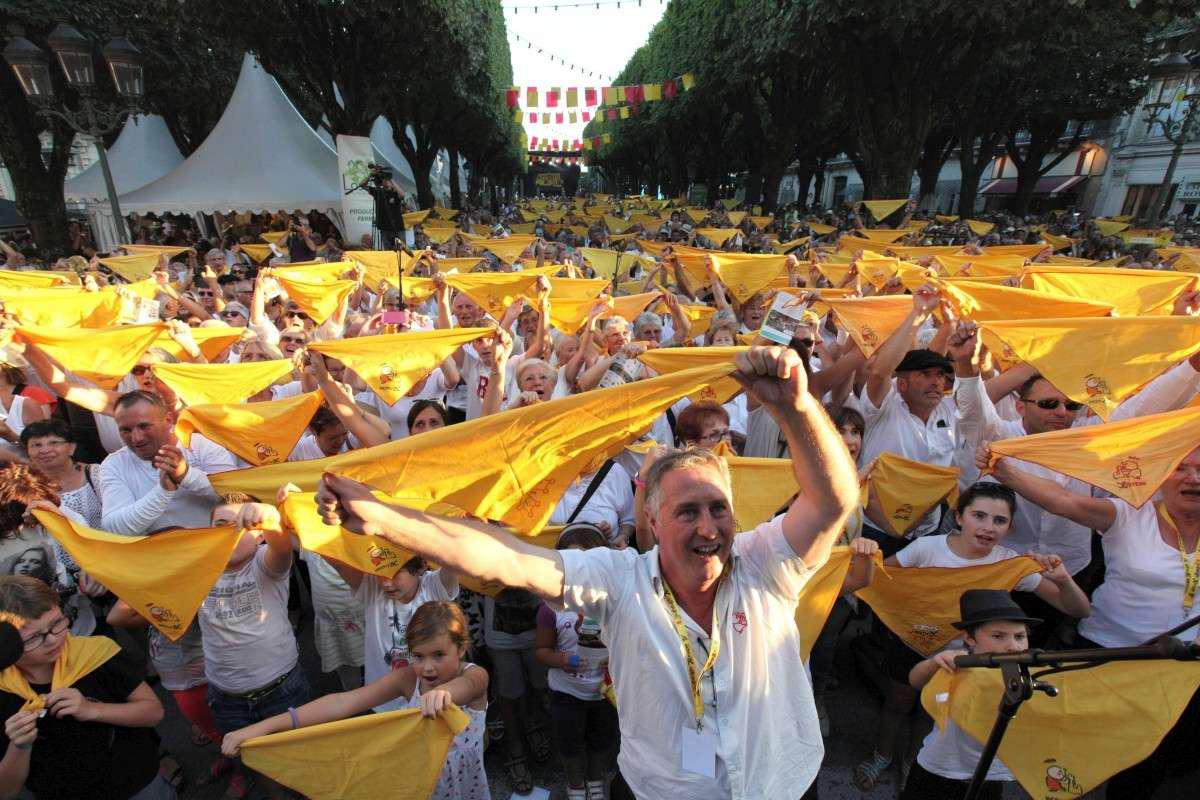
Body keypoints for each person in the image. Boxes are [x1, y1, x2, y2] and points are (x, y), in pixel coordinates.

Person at [314, 345, 860, 798]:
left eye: (718, 508)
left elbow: (834, 500)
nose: (709, 527)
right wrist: (386, 519)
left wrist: (796, 408)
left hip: (780, 785)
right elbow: (504, 558)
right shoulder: (619, 579)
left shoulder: (765, 562)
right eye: (687, 511)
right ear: (650, 517)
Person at [979, 441, 1200, 797]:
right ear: (1160, 474)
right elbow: (1063, 501)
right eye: (1181, 468)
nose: (1193, 478)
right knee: (1071, 758)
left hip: (1179, 668)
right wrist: (1003, 470)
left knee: (1146, 764)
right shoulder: (1129, 513)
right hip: (1105, 655)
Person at [855, 481, 1091, 789]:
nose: (988, 527)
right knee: (898, 702)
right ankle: (881, 756)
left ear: (1010, 526)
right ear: (959, 516)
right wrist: (864, 555)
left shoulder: (1010, 563)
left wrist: (1062, 580)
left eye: (999, 520)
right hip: (913, 643)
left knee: (937, 714)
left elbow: (1078, 609)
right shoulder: (927, 549)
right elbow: (879, 581)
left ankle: (914, 764)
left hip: (970, 662)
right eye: (979, 516)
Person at [220, 601, 490, 800]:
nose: (428, 667)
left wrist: (445, 694)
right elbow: (343, 702)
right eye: (419, 656)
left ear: (462, 648)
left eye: (439, 655)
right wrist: (263, 727)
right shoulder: (408, 679)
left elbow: (467, 686)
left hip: (463, 789)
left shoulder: (475, 676)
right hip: (414, 786)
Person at [0, 575, 169, 799]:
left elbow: (153, 712)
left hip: (135, 782)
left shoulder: (96, 654)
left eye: (57, 623)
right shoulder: (5, 691)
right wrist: (19, 747)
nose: (52, 640)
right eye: (32, 638)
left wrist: (92, 710)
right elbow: (7, 790)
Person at [199, 495, 311, 799]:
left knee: (301, 758)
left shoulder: (265, 563)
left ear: (259, 535)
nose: (230, 532)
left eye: (242, 525)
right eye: (221, 525)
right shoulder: (196, 571)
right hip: (227, 699)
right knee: (258, 765)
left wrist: (268, 517)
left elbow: (282, 546)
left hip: (283, 690)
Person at [900, 589, 1040, 800]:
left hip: (990, 775)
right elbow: (915, 680)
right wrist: (934, 663)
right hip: (939, 768)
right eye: (998, 636)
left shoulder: (1028, 674)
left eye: (1020, 636)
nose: (1012, 646)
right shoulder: (959, 663)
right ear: (969, 638)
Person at [535, 525, 618, 800]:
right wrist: (560, 659)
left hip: (604, 693)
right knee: (570, 745)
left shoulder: (614, 600)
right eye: (572, 562)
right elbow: (541, 650)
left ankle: (595, 781)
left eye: (589, 561)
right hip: (566, 693)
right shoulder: (551, 606)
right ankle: (575, 785)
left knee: (600, 743)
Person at [98, 391, 235, 534]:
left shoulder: (202, 446)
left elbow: (238, 496)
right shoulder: (114, 464)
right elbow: (115, 528)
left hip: (216, 550)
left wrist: (186, 475)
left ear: (168, 420)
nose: (136, 438)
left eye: (144, 426)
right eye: (126, 430)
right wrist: (163, 492)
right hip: (157, 555)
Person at [20, 419, 101, 527]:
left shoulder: (96, 474)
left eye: (54, 443)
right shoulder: (23, 485)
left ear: (72, 447)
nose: (45, 450)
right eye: (36, 445)